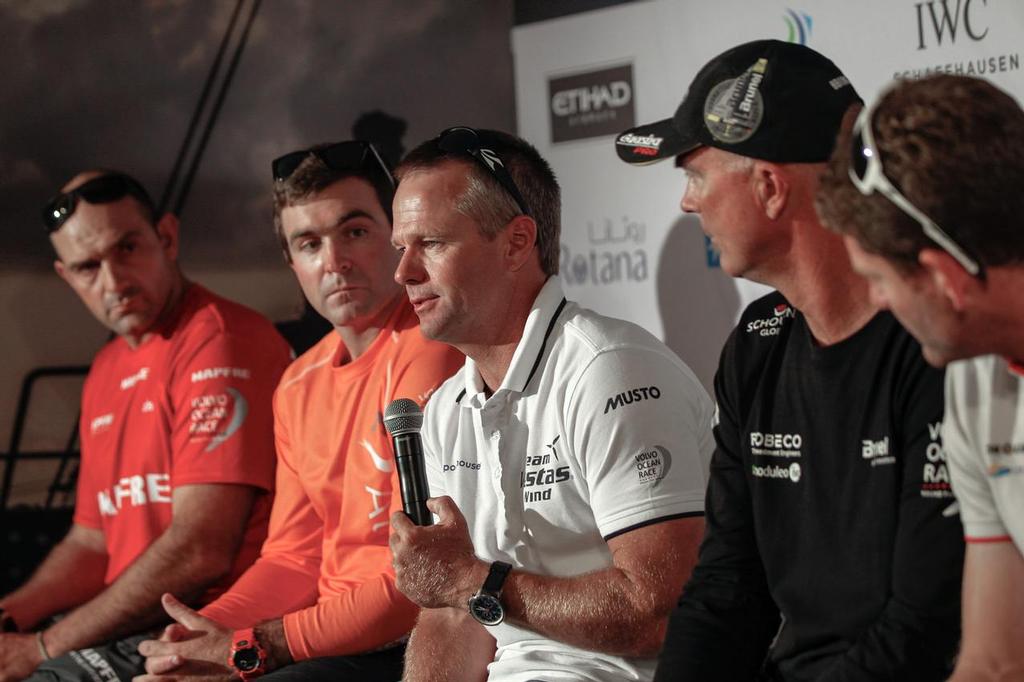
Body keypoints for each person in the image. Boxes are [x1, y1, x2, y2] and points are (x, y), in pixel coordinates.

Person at [616, 40, 964, 680]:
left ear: (770, 188)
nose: (687, 203)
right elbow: (727, 588)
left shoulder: (936, 339)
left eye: (695, 176)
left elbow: (925, 629)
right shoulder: (759, 339)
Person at [387, 126, 715, 682]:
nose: (404, 273)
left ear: (517, 243)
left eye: (433, 244)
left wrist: (471, 581)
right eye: (401, 248)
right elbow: (449, 619)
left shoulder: (609, 370)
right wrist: (458, 587)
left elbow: (659, 613)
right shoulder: (443, 410)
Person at [135, 141, 464, 680]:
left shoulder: (434, 351)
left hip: (415, 639)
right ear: (291, 262)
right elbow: (294, 558)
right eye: (309, 244)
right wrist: (199, 634)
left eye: (354, 232)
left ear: (399, 238)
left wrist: (252, 645)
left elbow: (419, 583)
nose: (334, 262)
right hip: (324, 640)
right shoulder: (297, 383)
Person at [0, 170, 291, 681]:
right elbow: (91, 544)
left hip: (201, 623)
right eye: (88, 267)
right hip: (122, 621)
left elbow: (201, 551)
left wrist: (41, 647)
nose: (114, 281)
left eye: (127, 248)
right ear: (67, 277)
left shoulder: (222, 339)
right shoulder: (107, 368)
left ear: (167, 237)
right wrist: (12, 615)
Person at [815, 74, 1024, 682]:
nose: (877, 303)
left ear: (944, 278)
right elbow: (996, 659)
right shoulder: (971, 377)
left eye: (877, 280)